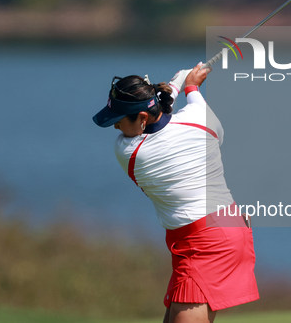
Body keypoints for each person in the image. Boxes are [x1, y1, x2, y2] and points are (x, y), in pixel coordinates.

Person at [93, 62, 259, 323]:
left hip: (204, 241)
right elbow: (184, 104)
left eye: (119, 120)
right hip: (226, 226)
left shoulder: (130, 152)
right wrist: (191, 85)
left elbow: (167, 96)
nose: (115, 127)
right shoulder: (201, 118)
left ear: (142, 119)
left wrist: (178, 83)